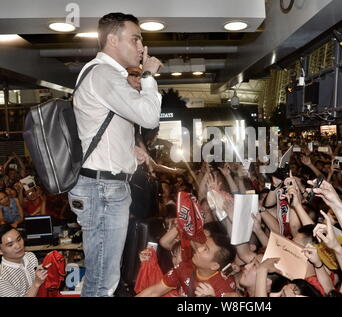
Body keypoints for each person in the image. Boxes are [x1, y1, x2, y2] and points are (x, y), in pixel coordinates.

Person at [68, 12, 163, 297]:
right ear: (112, 39)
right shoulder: (103, 73)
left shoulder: (107, 76)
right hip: (102, 189)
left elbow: (105, 127)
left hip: (104, 186)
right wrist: (147, 75)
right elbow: (149, 116)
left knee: (105, 277)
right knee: (102, 282)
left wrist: (130, 153)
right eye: (135, 39)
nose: (141, 48)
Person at [136, 234, 236, 297]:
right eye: (203, 245)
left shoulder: (224, 288)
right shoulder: (185, 266)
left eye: (206, 250)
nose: (199, 249)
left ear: (214, 266)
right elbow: (154, 291)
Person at [0, 224, 50, 297]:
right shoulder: (2, 278)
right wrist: (36, 284)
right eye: (10, 245)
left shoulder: (30, 256)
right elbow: (37, 284)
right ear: (0, 251)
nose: (18, 246)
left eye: (19, 239)